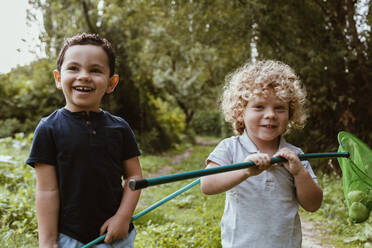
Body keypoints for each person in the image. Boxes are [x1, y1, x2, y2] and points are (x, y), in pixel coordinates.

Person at [26, 33, 142, 248]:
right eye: (73, 68)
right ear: (58, 78)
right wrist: (48, 241)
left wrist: (123, 218)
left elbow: (134, 177)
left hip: (115, 236)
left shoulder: (120, 128)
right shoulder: (48, 128)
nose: (84, 76)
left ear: (111, 83)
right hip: (68, 238)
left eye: (95, 70)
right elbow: (46, 190)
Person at [200, 60, 323, 248]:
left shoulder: (295, 156)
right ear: (240, 112)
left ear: (290, 114)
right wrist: (245, 171)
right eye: (259, 107)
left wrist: (299, 173)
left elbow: (313, 204)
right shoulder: (230, 148)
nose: (271, 115)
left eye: (279, 108)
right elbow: (207, 184)